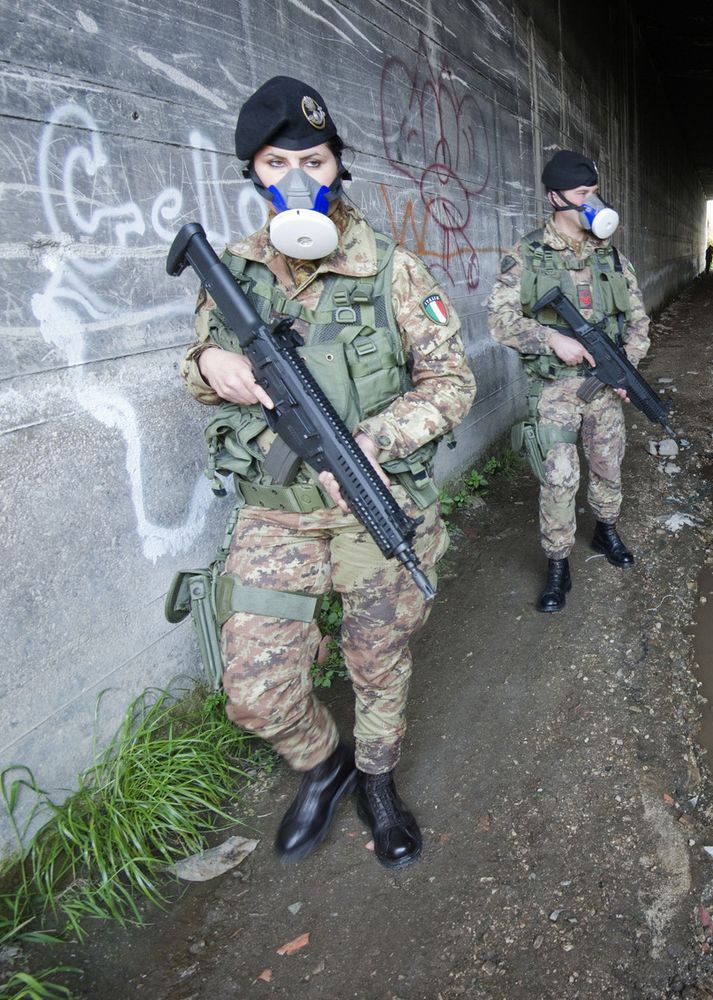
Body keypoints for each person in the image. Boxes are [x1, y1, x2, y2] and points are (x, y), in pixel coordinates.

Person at [179, 76, 475, 869]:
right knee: (254, 690)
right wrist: (209, 360)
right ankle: (322, 763)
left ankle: (376, 780)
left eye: (313, 158)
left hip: (372, 495)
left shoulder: (393, 269)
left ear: (338, 166)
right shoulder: (232, 271)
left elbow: (454, 382)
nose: (298, 177)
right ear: (254, 175)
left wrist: (375, 441)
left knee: (378, 659)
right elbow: (195, 367)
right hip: (278, 509)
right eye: (277, 162)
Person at [488, 150, 651, 613]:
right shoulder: (526, 254)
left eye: (594, 193)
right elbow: (498, 320)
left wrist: (626, 370)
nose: (591, 203)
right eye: (582, 195)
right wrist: (548, 338)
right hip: (555, 389)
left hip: (604, 386)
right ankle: (558, 562)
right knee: (559, 479)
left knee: (607, 466)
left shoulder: (613, 257)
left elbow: (638, 321)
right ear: (554, 197)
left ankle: (606, 529)